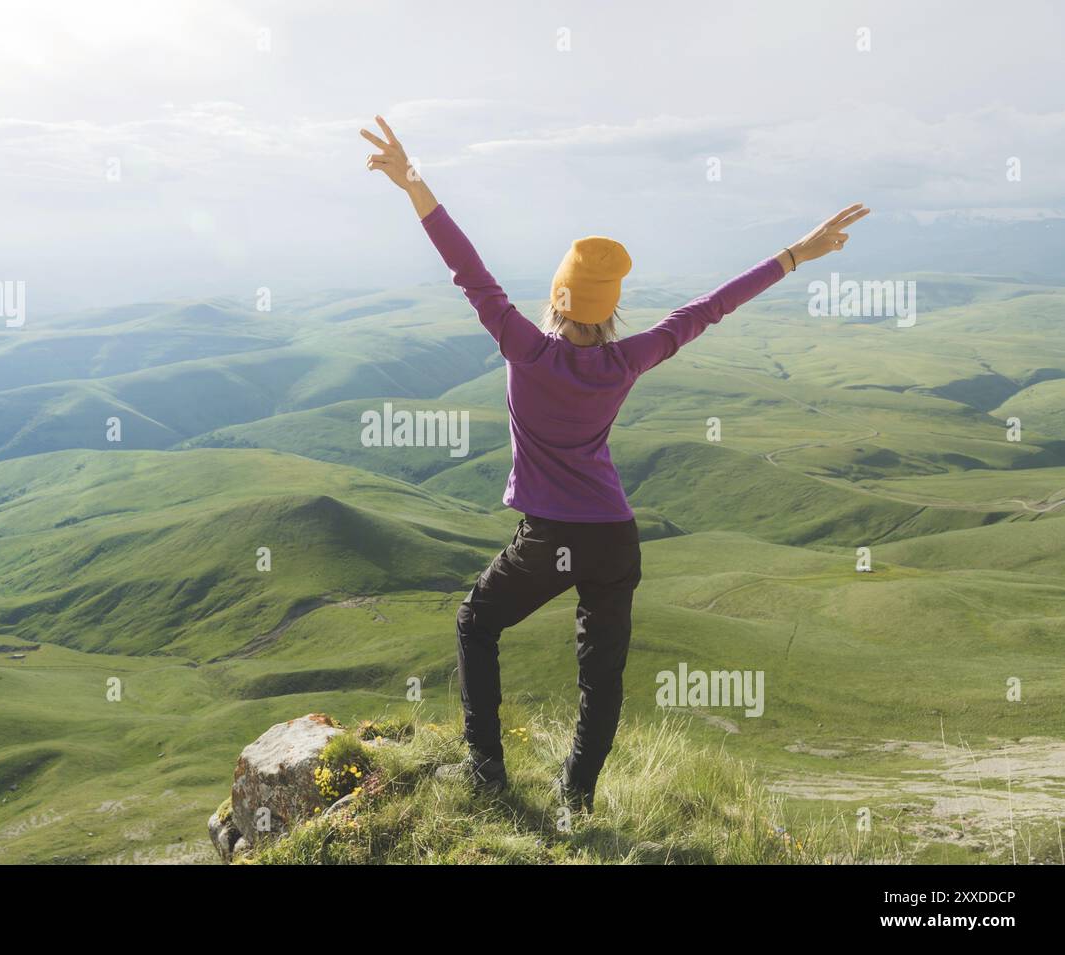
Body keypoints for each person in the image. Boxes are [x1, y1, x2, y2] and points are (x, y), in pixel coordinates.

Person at [361, 115, 869, 811]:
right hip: (614, 536)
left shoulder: (524, 346)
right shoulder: (629, 358)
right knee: (600, 677)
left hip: (551, 538)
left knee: (476, 624)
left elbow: (466, 267)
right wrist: (795, 254)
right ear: (610, 309)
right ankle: (577, 801)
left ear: (558, 297)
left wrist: (411, 180)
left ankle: (489, 777)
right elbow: (710, 307)